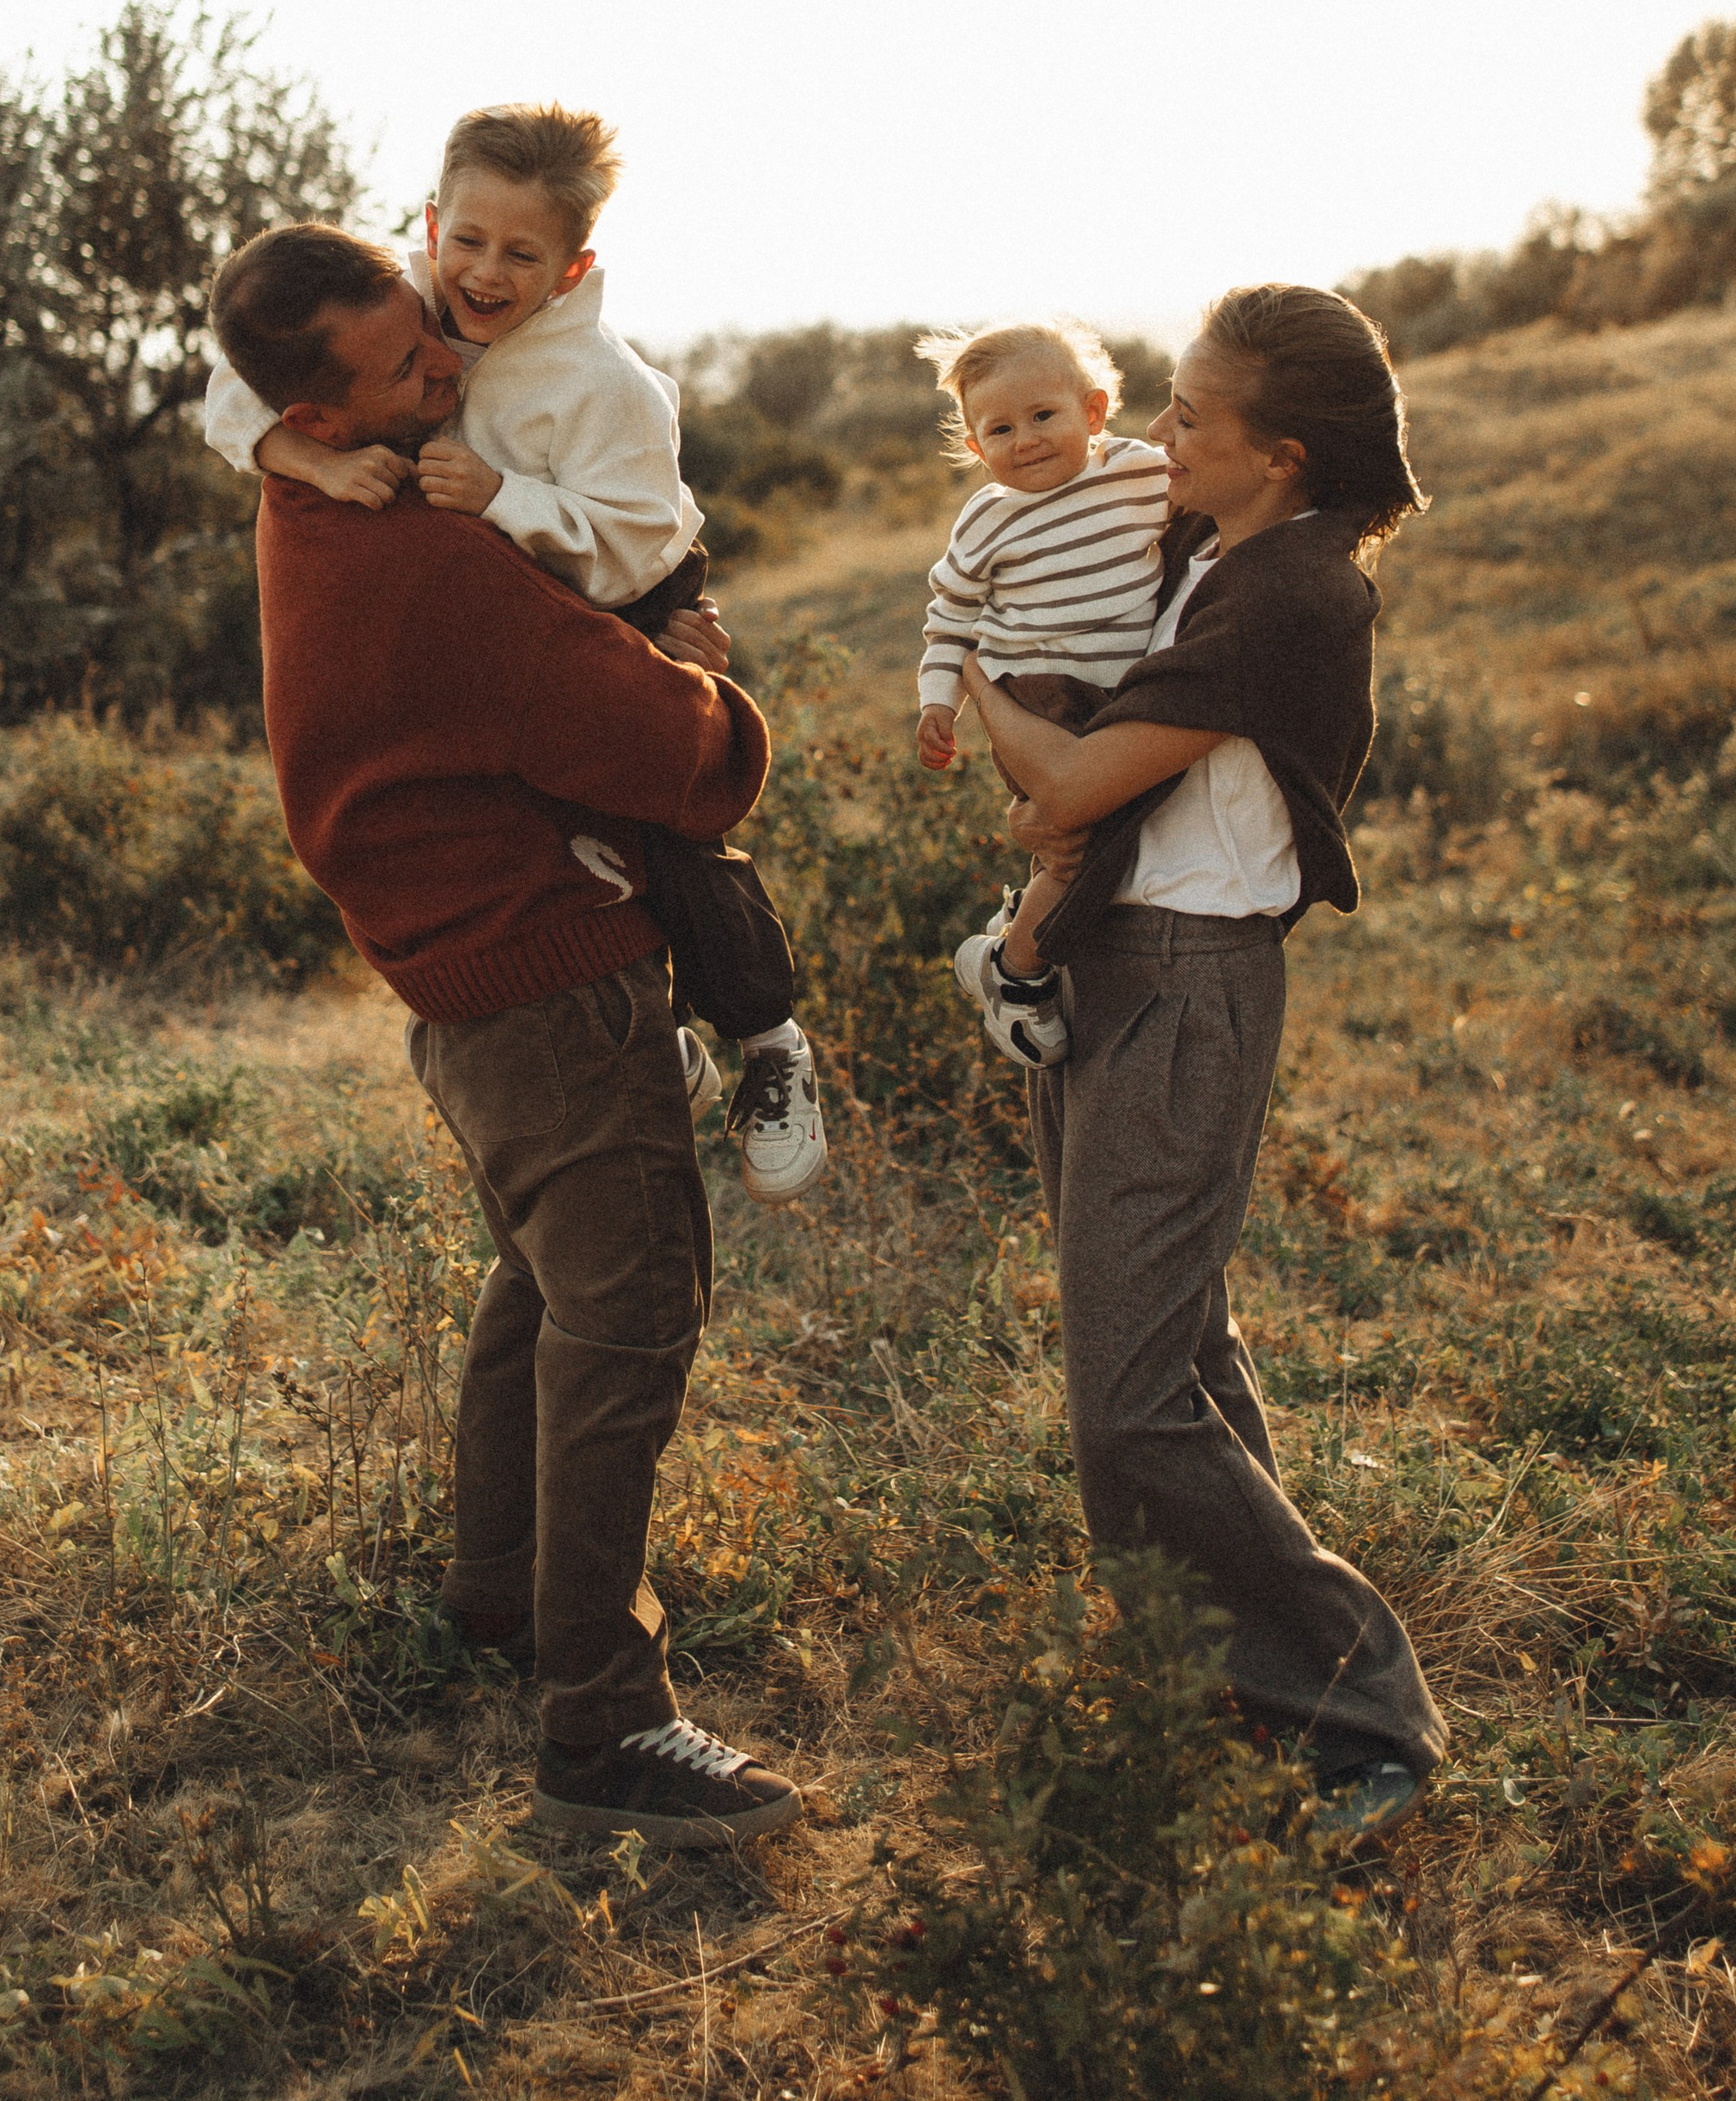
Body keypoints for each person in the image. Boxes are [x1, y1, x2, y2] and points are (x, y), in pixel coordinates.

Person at [209, 219, 806, 1846]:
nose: (450, 367)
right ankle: (603, 1723)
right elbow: (689, 765)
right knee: (632, 1317)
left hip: (459, 992)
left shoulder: (304, 492)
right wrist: (704, 683)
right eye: (411, 366)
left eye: (432, 330)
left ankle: (495, 1597)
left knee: (545, 1281)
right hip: (548, 983)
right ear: (323, 417)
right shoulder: (425, 558)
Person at [954, 285, 1447, 1841]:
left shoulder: (1292, 593)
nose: (1158, 435)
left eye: (1187, 418)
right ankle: (1213, 1678)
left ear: (1280, 454)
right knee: (1174, 1343)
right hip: (1119, 964)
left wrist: (970, 680)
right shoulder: (1213, 552)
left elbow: (1067, 787)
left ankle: (1367, 1712)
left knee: (1132, 1393)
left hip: (1188, 983)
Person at [205, 103, 824, 1207]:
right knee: (548, 827)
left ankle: (769, 1034)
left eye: (521, 254)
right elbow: (236, 377)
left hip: (621, 586)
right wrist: (304, 454)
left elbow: (636, 532)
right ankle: (655, 1043)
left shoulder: (607, 385)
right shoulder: (400, 297)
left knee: (671, 828)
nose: (484, 275)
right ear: (432, 221)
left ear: (574, 262)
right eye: (468, 242)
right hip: (509, 598)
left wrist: (508, 501)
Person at [910, 320, 1171, 1065]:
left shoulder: (1137, 471)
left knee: (1108, 831)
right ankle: (1017, 972)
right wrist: (938, 701)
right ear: (975, 449)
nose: (1024, 439)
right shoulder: (988, 519)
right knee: (1080, 845)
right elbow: (949, 617)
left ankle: (1013, 938)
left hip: (1126, 696)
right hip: (1038, 696)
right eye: (999, 428)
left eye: (1043, 416)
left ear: (1092, 412)